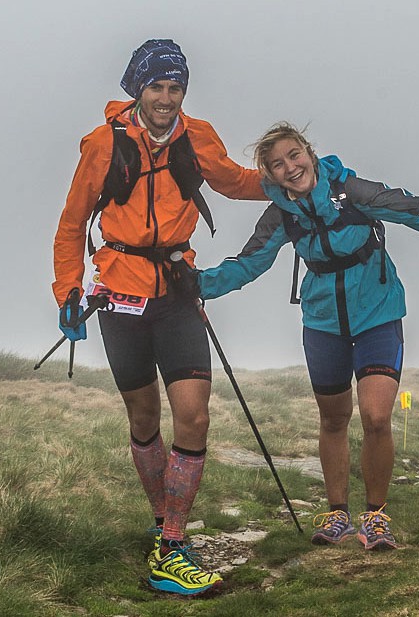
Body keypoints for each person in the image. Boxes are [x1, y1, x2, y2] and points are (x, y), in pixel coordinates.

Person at [195, 122, 419, 550]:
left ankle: (376, 516)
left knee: (377, 416)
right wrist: (197, 285)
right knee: (333, 418)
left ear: (309, 153)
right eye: (277, 164)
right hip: (323, 320)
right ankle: (337, 515)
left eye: (294, 155)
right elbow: (248, 263)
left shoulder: (352, 191)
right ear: (269, 175)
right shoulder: (279, 216)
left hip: (377, 313)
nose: (290, 168)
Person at [51, 39, 265, 596]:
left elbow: (235, 182)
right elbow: (73, 224)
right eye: (157, 87)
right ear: (137, 88)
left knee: (193, 417)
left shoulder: (199, 136)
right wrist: (68, 292)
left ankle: (172, 544)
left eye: (176, 87)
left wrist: (293, 180)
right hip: (119, 294)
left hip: (176, 289)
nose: (167, 98)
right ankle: (161, 521)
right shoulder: (104, 144)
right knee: (144, 418)